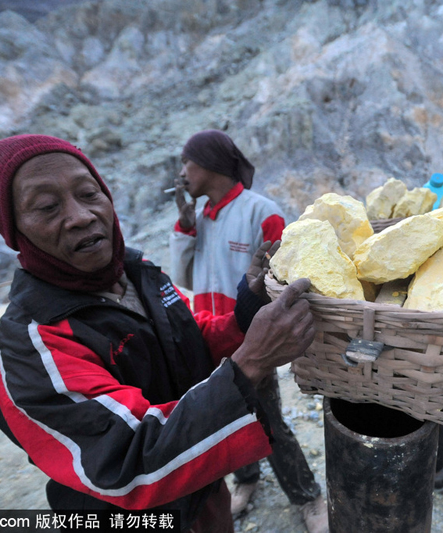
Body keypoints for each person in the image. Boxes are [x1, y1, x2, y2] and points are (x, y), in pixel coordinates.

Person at [0, 134, 315, 532]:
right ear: (13, 229)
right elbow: (131, 460)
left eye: (89, 193)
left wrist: (247, 314)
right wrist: (251, 360)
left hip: (201, 490)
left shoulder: (139, 272)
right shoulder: (33, 342)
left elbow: (191, 337)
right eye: (47, 207)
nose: (81, 216)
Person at [169, 130, 328, 533]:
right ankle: (247, 479)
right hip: (207, 334)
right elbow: (182, 276)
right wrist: (184, 227)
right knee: (223, 414)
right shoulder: (202, 217)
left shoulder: (261, 211)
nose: (182, 173)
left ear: (209, 164)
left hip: (250, 339)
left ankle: (308, 496)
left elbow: (286, 275)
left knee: (266, 419)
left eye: (187, 163)